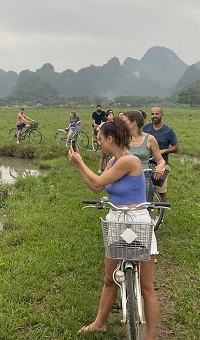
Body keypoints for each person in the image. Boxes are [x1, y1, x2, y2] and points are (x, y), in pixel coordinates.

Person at [68, 118, 161, 338]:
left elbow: (99, 182)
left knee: (146, 288)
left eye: (99, 139)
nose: (98, 143)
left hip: (137, 222)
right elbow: (95, 187)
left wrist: (82, 163)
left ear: (110, 138)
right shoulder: (111, 162)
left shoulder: (130, 161)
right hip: (117, 221)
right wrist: (78, 166)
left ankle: (149, 336)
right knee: (109, 279)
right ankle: (100, 322)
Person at [121, 110, 167, 203]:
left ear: (134, 123)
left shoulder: (150, 139)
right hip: (124, 176)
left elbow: (160, 160)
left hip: (143, 177)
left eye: (124, 122)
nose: (121, 125)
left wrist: (161, 166)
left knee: (144, 208)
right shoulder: (121, 138)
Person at [143, 106, 179, 203]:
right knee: (144, 189)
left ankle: (161, 214)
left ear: (162, 115)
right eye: (152, 114)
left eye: (157, 114)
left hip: (161, 164)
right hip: (146, 163)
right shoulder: (145, 128)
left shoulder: (168, 131)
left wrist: (164, 151)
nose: (154, 116)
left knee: (161, 192)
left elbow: (176, 147)